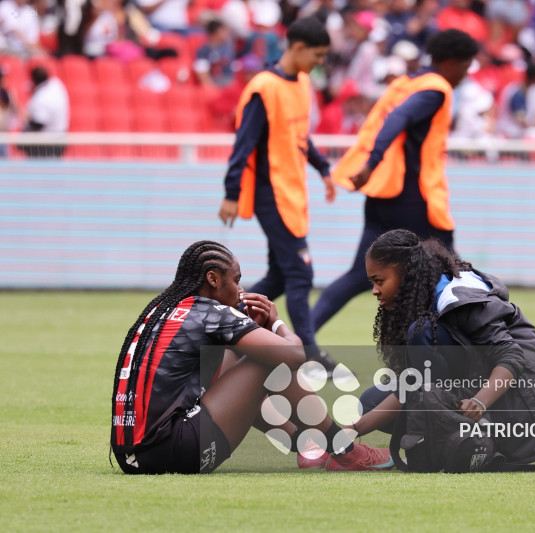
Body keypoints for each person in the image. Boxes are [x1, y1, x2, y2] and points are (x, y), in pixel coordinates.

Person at [110, 240, 394, 474]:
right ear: (212, 278)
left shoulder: (161, 309)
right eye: (236, 281)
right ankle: (345, 450)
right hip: (176, 452)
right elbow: (295, 356)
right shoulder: (212, 312)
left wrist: (251, 330)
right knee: (270, 360)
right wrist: (276, 323)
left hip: (132, 456)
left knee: (238, 357)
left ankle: (308, 444)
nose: (241, 291)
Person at [350, 229, 535, 466]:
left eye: (379, 281)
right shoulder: (425, 289)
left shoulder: (458, 298)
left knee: (421, 333)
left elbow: (512, 357)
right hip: (477, 384)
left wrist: (480, 402)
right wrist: (351, 431)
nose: (374, 290)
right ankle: (451, 435)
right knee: (370, 402)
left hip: (518, 407)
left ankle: (469, 438)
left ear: (405, 274)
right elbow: (413, 384)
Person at [310, 28, 479, 334]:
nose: (465, 75)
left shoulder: (405, 83)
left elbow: (389, 120)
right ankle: (472, 343)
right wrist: (372, 162)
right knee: (451, 271)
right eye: (466, 67)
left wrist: (371, 167)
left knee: (360, 276)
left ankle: (299, 338)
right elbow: (398, 119)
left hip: (382, 196)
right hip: (414, 199)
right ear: (452, 62)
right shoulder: (435, 89)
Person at [218, 17, 338, 376]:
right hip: (272, 195)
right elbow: (244, 143)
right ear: (298, 47)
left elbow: (300, 136)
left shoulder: (301, 83)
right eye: (317, 55)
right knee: (301, 275)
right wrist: (231, 192)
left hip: (293, 194)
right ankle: (310, 352)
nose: (320, 64)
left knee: (282, 277)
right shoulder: (263, 87)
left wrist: (321, 166)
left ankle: (224, 318)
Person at [17, 66, 69, 159]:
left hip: (46, 144)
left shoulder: (40, 99)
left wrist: (26, 119)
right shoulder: (56, 84)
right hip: (60, 138)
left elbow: (39, 124)